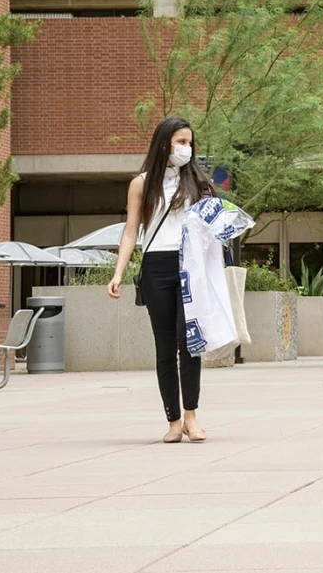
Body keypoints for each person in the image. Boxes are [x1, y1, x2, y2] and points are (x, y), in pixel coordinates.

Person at [108, 117, 216, 444]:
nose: (186, 148)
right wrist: (118, 273)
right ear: (164, 143)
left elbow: (212, 230)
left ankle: (192, 417)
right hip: (156, 265)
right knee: (165, 347)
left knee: (189, 342)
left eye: (189, 143)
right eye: (180, 142)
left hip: (189, 265)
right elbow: (131, 232)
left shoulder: (199, 183)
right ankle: (172, 420)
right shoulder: (141, 184)